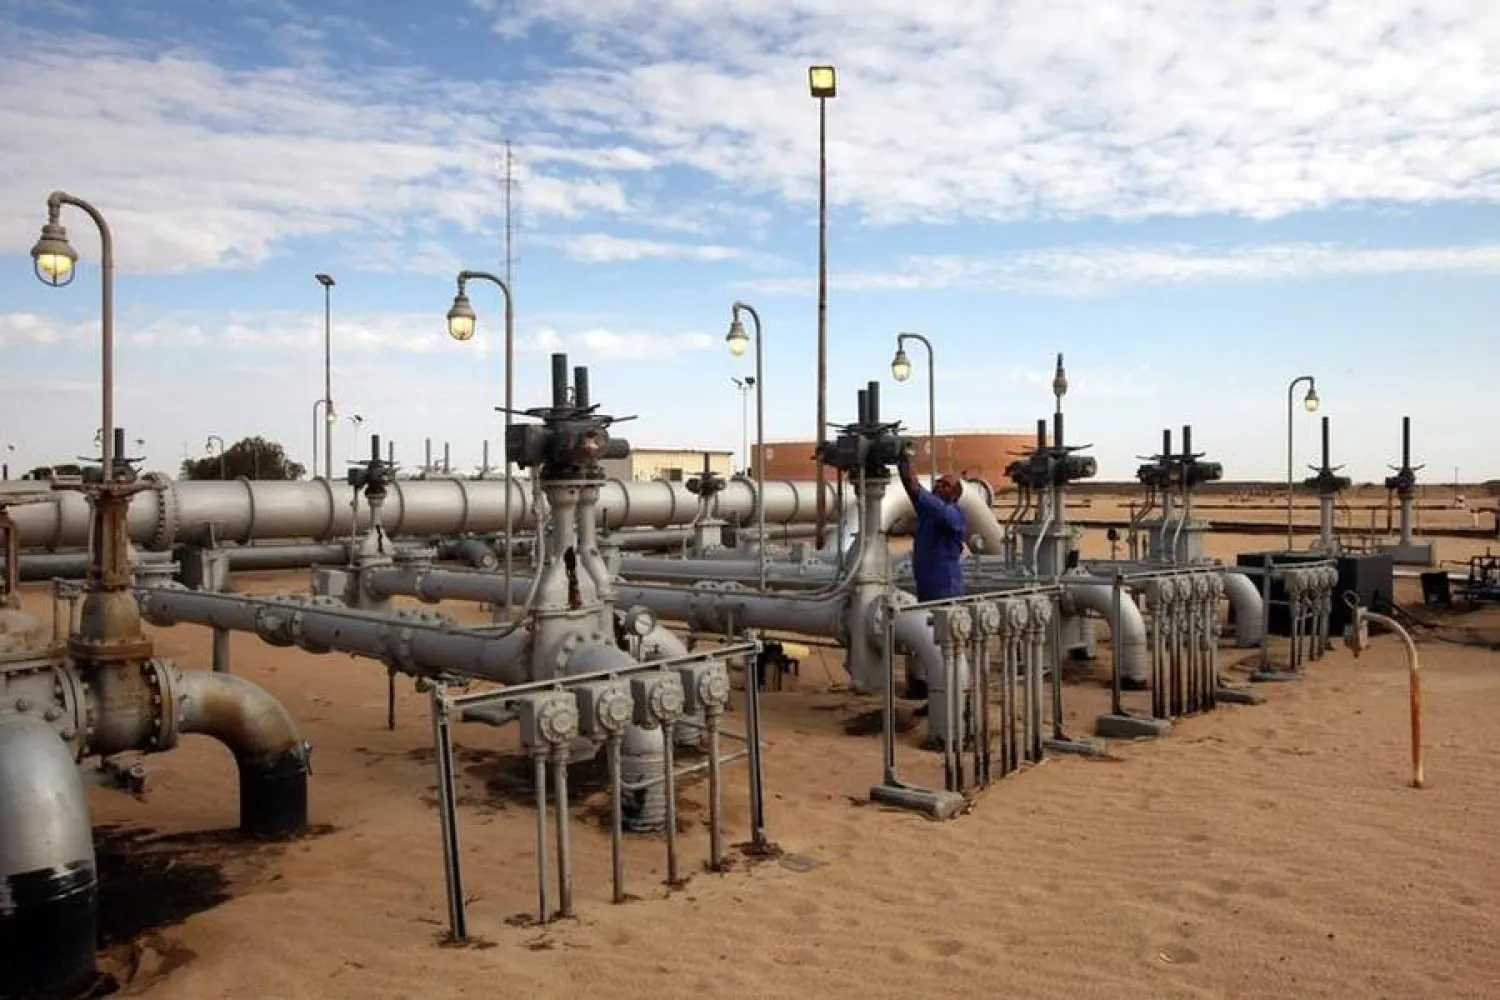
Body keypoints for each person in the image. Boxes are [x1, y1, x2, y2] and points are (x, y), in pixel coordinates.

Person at [896, 451, 968, 602]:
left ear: (954, 494)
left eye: (945, 485)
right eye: (938, 482)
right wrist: (901, 461)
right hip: (925, 586)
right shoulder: (927, 513)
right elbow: (911, 488)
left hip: (946, 589)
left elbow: (917, 490)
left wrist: (905, 454)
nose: (939, 485)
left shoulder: (954, 514)